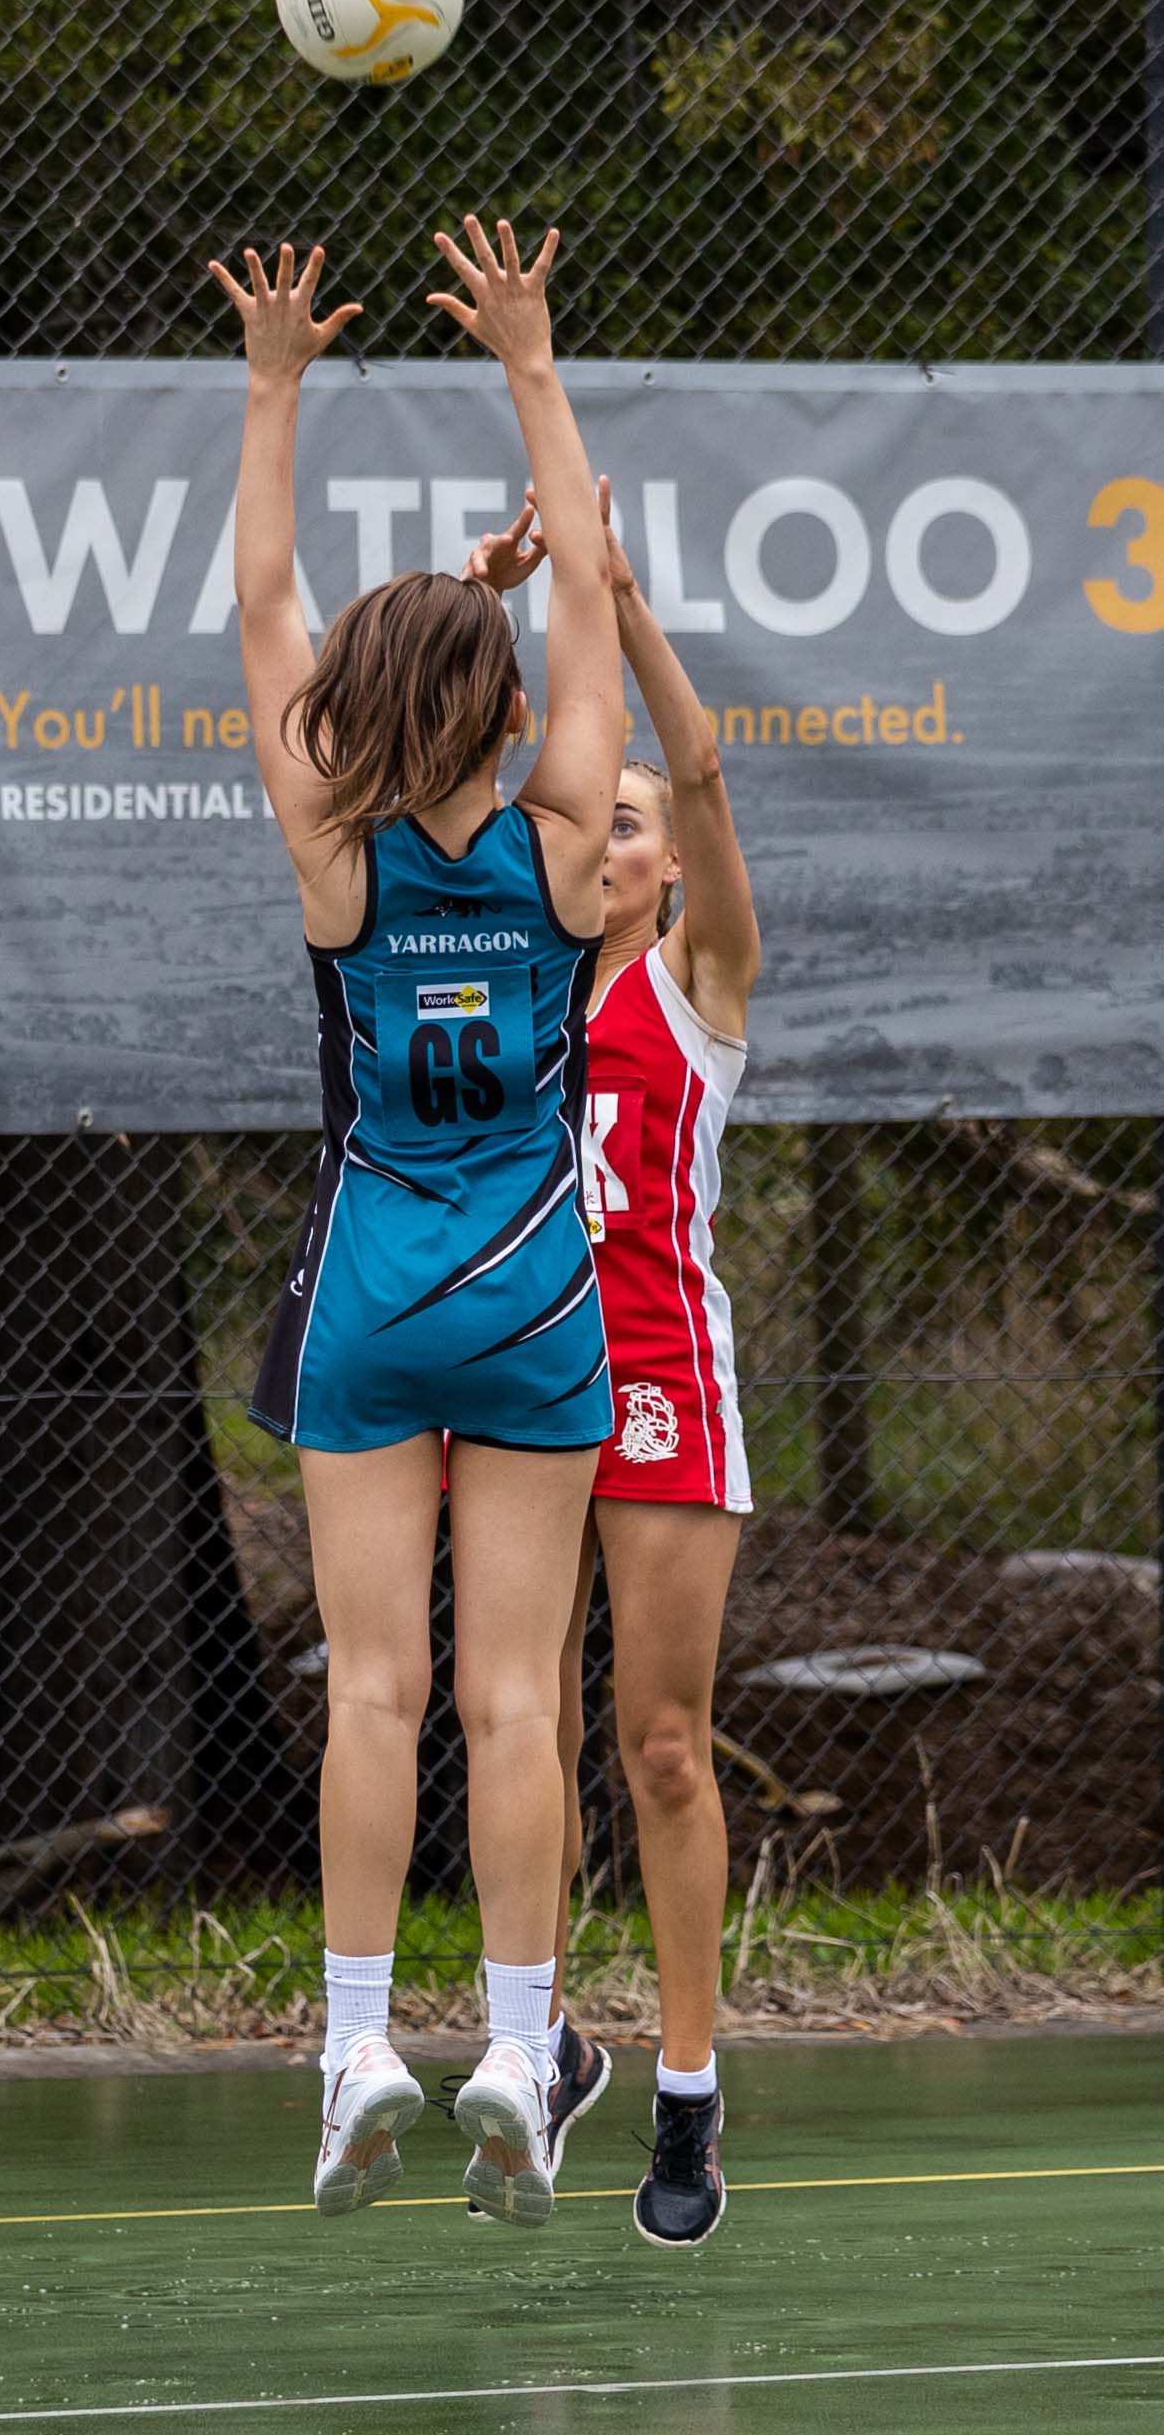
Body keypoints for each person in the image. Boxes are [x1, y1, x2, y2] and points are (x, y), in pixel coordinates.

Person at [206, 226, 623, 2230]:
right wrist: (529, 363)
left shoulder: (333, 856)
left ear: (350, 720)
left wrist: (273, 382)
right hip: (531, 1293)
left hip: (370, 1290)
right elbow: (593, 589)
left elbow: (266, 598)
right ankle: (520, 2052)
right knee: (515, 1699)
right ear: (502, 693)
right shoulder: (560, 846)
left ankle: (349, 2043)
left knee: (372, 1689)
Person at [462, 477, 759, 2247]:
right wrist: (501, 602)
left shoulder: (695, 982)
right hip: (515, 1377)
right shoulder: (506, 971)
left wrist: (624, 610)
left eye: (628, 822)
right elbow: (464, 762)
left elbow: (698, 777)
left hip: (653, 1373)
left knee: (657, 1741)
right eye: (604, 816)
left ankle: (687, 2085)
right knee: (520, 1724)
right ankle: (541, 2037)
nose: (616, 832)